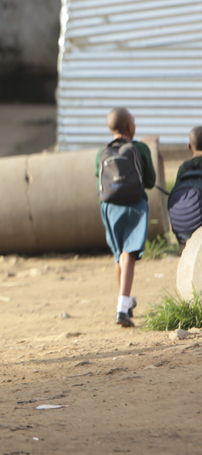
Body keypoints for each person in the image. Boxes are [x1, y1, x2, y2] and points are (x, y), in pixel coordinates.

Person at [95, 108, 156, 328]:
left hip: (109, 208)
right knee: (129, 254)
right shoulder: (139, 148)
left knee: (119, 255)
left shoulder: (102, 152)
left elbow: (99, 181)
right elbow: (149, 181)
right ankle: (122, 308)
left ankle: (126, 300)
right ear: (130, 127)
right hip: (134, 207)